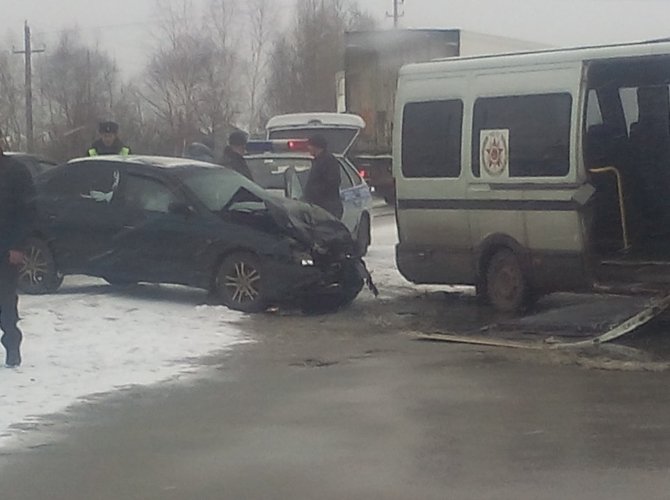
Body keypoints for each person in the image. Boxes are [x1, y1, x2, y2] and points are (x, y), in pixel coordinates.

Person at [0, 131, 36, 368]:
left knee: (5, 302)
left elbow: (27, 212)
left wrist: (18, 246)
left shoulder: (15, 172)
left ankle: (12, 347)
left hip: (6, 248)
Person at [304, 134, 343, 219]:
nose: (308, 148)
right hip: (317, 207)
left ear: (317, 147)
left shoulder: (329, 161)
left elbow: (333, 182)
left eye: (310, 145)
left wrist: (315, 193)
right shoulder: (317, 161)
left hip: (327, 208)